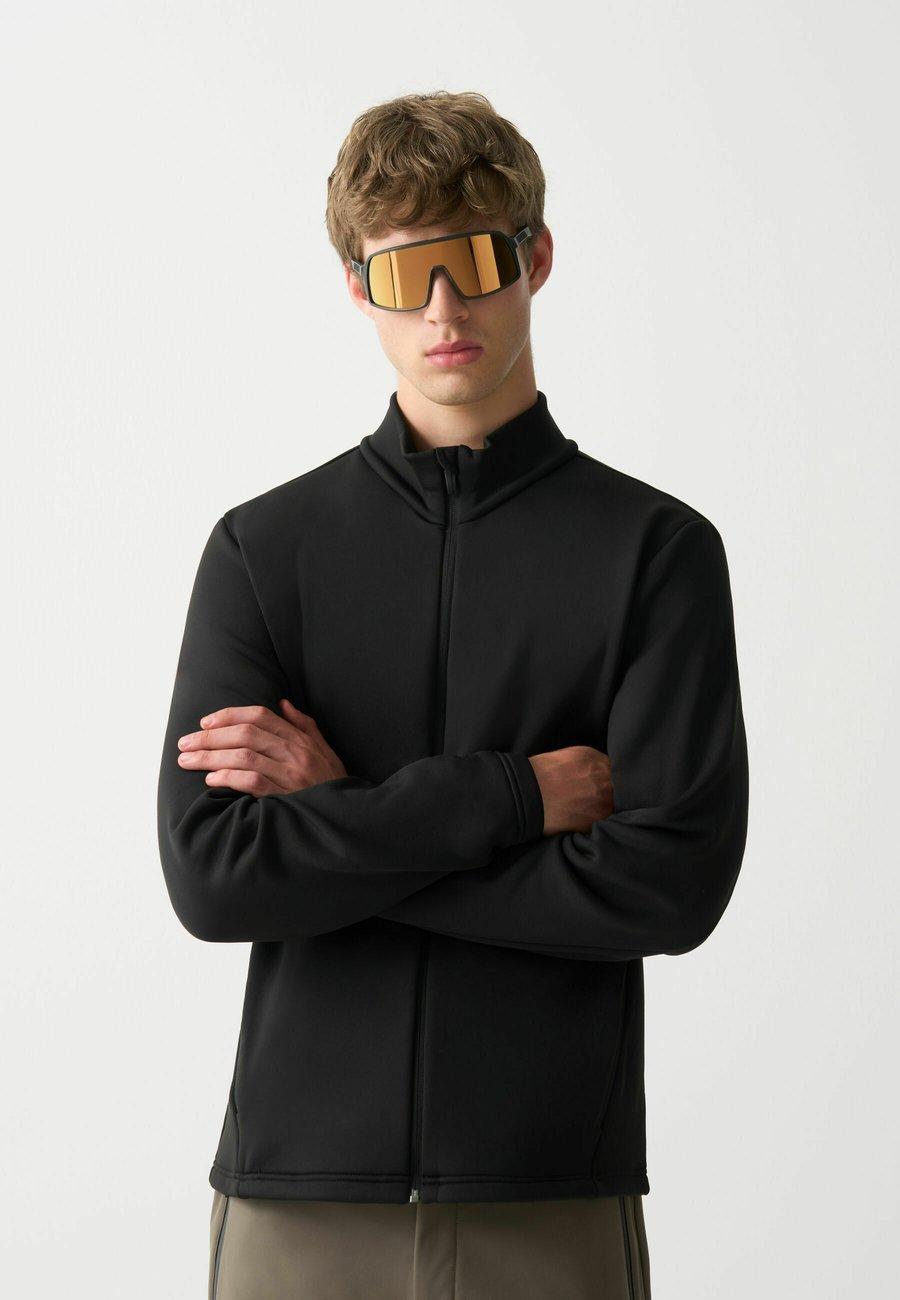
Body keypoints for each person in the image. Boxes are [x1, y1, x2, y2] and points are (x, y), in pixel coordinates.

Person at [157, 89, 749, 1300]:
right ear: (356, 287)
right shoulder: (263, 550)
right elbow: (216, 880)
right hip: (296, 1197)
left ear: (535, 257)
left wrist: (342, 819)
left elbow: (667, 886)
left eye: (474, 262)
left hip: (549, 1189)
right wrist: (512, 799)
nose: (442, 309)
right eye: (402, 272)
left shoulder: (655, 552)